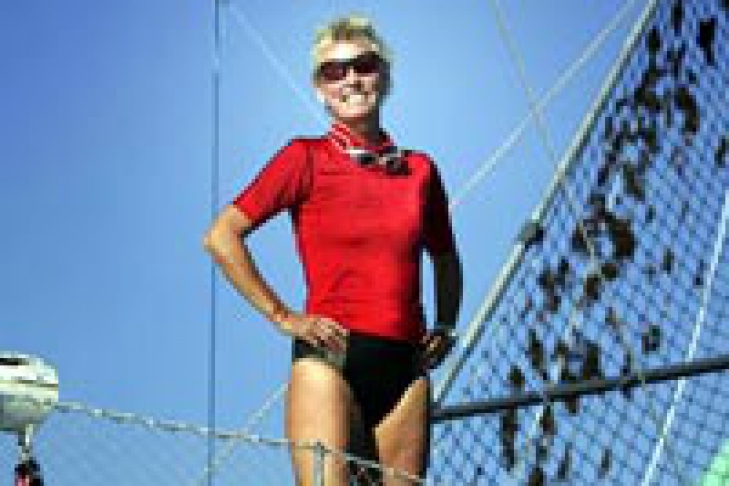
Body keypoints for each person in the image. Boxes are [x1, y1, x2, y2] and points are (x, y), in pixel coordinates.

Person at [204, 14, 462, 485]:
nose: (351, 80)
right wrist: (283, 316)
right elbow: (221, 236)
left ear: (384, 75)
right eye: (334, 71)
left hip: (406, 371)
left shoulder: (421, 171)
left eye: (363, 65)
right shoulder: (303, 158)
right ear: (321, 89)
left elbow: (445, 257)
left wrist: (446, 323)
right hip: (331, 362)